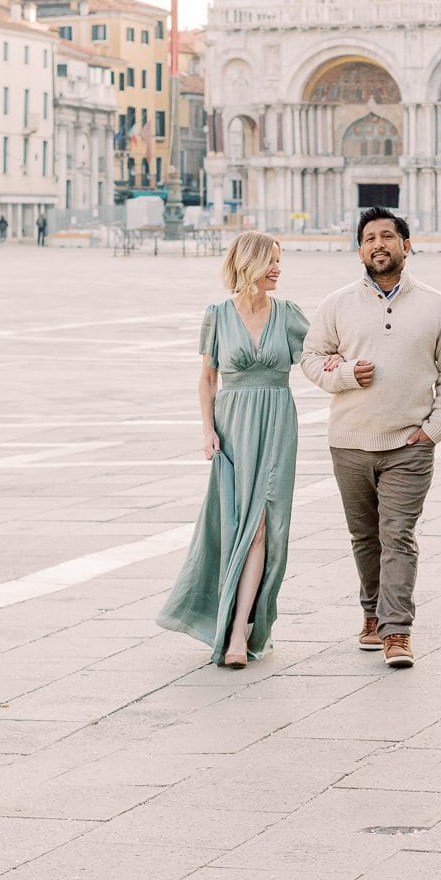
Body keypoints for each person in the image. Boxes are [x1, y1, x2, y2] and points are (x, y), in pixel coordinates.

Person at [301, 207, 441, 670]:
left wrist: (435, 429)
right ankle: (371, 615)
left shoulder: (438, 306)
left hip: (408, 446)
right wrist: (347, 377)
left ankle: (397, 631)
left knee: (399, 535)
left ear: (406, 245)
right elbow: (312, 359)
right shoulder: (336, 305)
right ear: (359, 250)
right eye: (370, 238)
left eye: (388, 237)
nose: (379, 244)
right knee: (364, 537)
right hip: (349, 441)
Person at [157, 231, 309, 668]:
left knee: (263, 524)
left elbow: (320, 354)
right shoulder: (217, 316)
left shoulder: (289, 314)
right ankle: (222, 620)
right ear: (249, 263)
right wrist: (207, 431)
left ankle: (241, 630)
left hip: (278, 424)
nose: (278, 268)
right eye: (272, 261)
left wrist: (346, 365)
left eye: (280, 261)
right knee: (231, 523)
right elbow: (207, 379)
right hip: (233, 427)